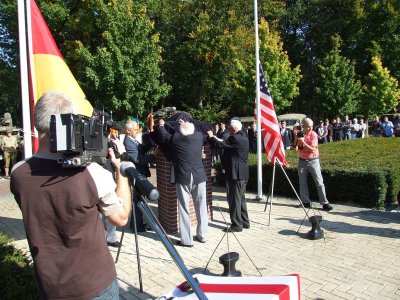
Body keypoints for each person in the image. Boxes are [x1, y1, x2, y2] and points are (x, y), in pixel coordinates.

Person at [10, 91, 131, 299]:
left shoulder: (18, 173)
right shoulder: (91, 173)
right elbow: (121, 218)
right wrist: (122, 173)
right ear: (70, 123)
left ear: (37, 122)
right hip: (95, 286)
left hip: (50, 287)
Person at [157, 117, 208, 246]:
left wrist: (161, 125)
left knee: (184, 207)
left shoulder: (176, 139)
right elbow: (199, 127)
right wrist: (186, 124)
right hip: (199, 176)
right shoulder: (198, 137)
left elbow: (164, 135)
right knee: (201, 206)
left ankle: (187, 240)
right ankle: (202, 235)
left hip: (183, 177)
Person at [207, 118, 250, 232]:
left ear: (235, 129)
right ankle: (245, 222)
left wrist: (211, 136)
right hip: (242, 173)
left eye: (230, 128)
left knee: (234, 200)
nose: (228, 130)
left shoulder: (235, 138)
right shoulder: (243, 136)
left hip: (236, 174)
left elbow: (221, 145)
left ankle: (237, 225)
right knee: (241, 199)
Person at [294, 117, 333, 211]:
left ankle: (325, 203)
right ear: (303, 127)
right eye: (308, 127)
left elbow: (313, 149)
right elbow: (297, 149)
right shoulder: (301, 134)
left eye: (311, 126)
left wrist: (303, 141)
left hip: (313, 160)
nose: (310, 128)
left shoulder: (314, 135)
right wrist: (297, 139)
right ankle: (305, 202)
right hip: (302, 160)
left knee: (319, 182)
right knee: (302, 183)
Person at [124, 120, 155, 232]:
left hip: (140, 173)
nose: (138, 131)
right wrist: (154, 156)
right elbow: (139, 159)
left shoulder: (133, 140)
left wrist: (151, 143)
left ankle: (138, 223)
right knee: (138, 200)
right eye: (135, 129)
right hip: (137, 175)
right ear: (128, 131)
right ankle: (138, 226)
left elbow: (142, 149)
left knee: (140, 199)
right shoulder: (128, 142)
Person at [102, 122, 126, 247]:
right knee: (109, 208)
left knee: (106, 209)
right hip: (107, 177)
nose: (117, 133)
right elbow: (122, 158)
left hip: (106, 176)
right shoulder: (108, 143)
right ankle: (108, 238)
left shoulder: (107, 141)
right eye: (115, 131)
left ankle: (107, 237)